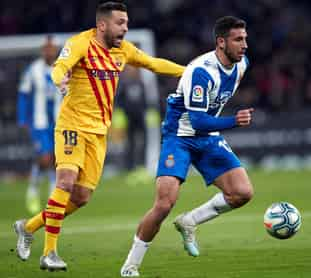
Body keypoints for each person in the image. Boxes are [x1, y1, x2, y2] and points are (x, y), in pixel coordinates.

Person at [13, 1, 185, 272]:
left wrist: (189, 72)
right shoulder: (81, 42)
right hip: (72, 126)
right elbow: (60, 66)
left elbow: (153, 64)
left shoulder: (124, 51)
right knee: (66, 181)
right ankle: (49, 253)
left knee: (81, 197)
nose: (125, 28)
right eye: (120, 23)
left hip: (98, 133)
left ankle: (28, 226)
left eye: (126, 23)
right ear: (102, 25)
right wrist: (59, 79)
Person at [120, 16, 254, 277]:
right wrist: (234, 121)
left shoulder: (241, 65)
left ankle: (190, 221)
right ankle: (130, 266)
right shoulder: (201, 71)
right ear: (221, 42)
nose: (244, 45)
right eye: (238, 39)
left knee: (242, 192)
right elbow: (197, 120)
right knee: (164, 204)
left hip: (208, 136)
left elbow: (208, 118)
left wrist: (220, 124)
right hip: (180, 137)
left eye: (245, 38)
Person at [17, 36, 61, 215]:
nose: (49, 52)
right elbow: (23, 95)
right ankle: (33, 191)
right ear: (43, 50)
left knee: (55, 160)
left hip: (58, 121)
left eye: (52, 48)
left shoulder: (63, 68)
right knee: (45, 157)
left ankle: (51, 195)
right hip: (39, 122)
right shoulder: (33, 70)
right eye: (47, 48)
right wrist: (22, 119)